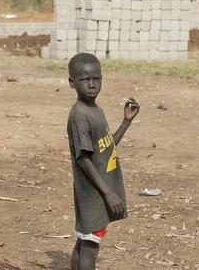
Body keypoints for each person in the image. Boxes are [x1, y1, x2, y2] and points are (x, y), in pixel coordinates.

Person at [66, 53, 140, 270]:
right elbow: (83, 159)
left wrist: (126, 122)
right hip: (94, 193)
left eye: (96, 78)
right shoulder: (80, 116)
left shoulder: (95, 110)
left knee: (84, 242)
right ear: (72, 82)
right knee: (90, 248)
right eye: (85, 79)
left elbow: (105, 147)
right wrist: (108, 193)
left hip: (97, 190)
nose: (92, 84)